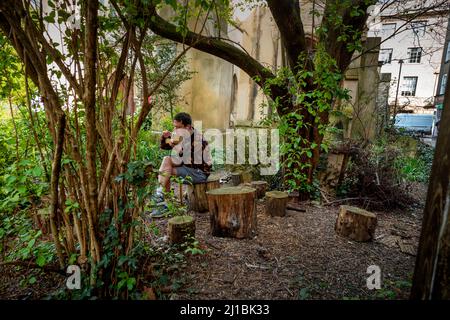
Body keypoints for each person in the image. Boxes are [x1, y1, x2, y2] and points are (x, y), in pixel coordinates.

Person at [151, 112, 212, 217]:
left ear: (187, 127)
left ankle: (162, 201)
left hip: (199, 173)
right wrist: (165, 138)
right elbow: (165, 147)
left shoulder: (198, 140)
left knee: (167, 171)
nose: (174, 130)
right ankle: (161, 195)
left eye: (177, 127)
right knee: (166, 160)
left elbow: (189, 161)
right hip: (187, 167)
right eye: (174, 127)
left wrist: (176, 146)